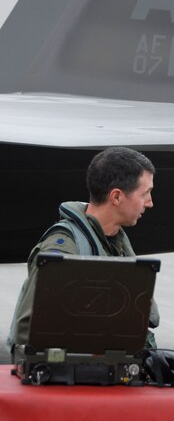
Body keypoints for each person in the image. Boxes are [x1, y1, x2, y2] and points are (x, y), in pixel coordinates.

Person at [8, 146, 159, 359]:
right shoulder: (64, 248)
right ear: (116, 197)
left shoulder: (117, 243)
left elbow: (145, 314)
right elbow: (29, 331)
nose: (150, 202)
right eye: (145, 193)